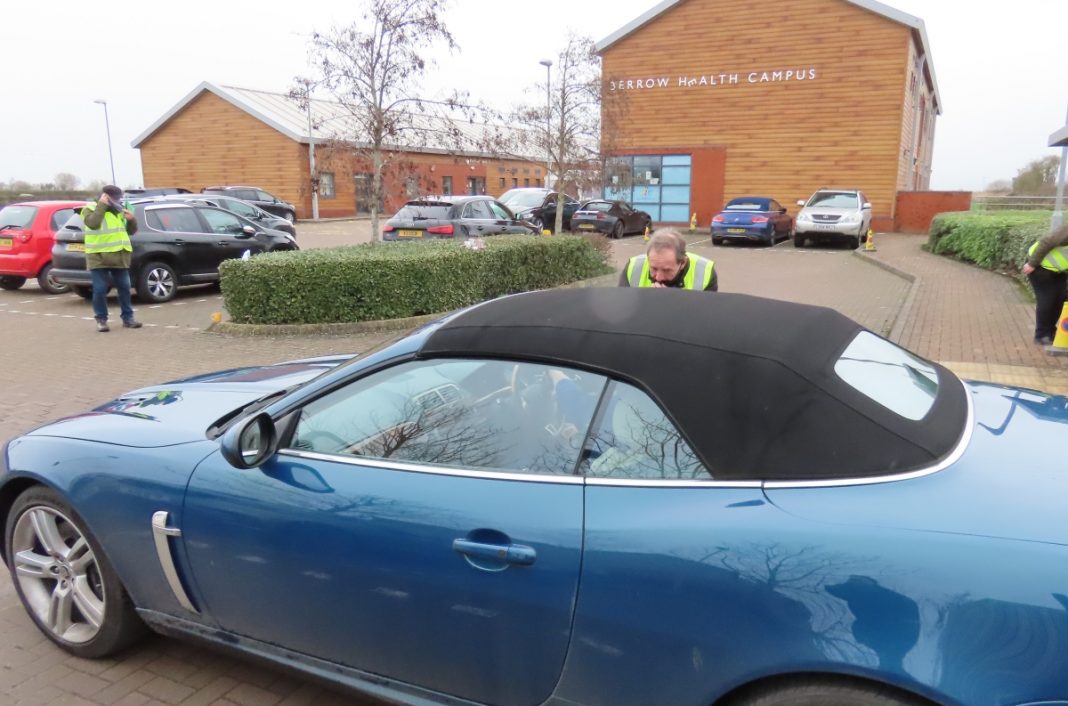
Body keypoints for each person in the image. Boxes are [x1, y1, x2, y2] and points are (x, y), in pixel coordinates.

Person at [82, 185, 142, 332]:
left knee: (124, 288)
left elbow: (130, 231)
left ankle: (128, 319)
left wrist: (132, 219)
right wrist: (102, 205)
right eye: (114, 198)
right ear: (104, 196)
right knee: (100, 290)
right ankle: (101, 320)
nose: (117, 201)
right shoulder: (90, 208)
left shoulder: (119, 210)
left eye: (118, 198)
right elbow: (93, 223)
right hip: (98, 256)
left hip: (119, 255)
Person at [619, 229, 717, 291]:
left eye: (666, 270)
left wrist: (671, 300)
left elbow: (706, 316)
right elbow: (622, 309)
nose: (658, 277)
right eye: (653, 268)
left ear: (683, 262)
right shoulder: (633, 267)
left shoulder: (705, 272)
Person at [1022, 224, 1068, 345]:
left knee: (1060, 299)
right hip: (1040, 268)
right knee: (1047, 300)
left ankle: (1050, 331)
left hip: (1059, 270)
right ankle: (1041, 335)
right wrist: (1032, 264)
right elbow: (1047, 242)